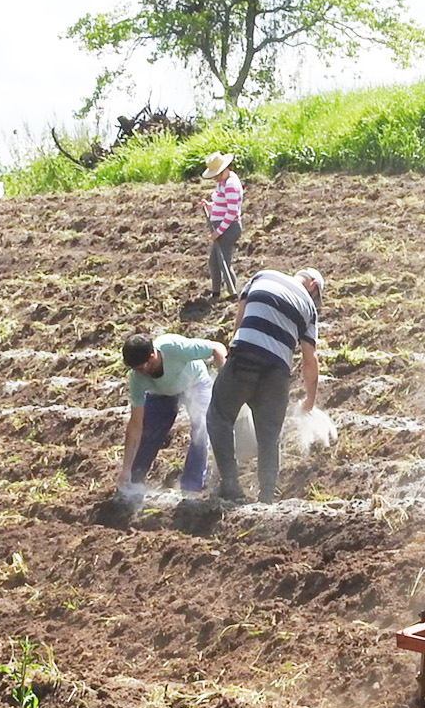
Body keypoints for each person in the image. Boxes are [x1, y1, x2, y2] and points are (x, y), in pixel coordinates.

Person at [205, 266, 321, 504]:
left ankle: (230, 484)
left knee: (219, 416)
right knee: (269, 435)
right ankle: (267, 495)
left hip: (245, 355)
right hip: (277, 371)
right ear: (313, 286)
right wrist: (310, 400)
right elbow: (310, 358)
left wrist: (231, 356)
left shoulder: (263, 276)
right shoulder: (309, 308)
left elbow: (241, 316)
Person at [119, 331, 228, 496]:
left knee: (202, 428)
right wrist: (125, 468)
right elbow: (135, 424)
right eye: (135, 370)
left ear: (152, 356)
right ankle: (133, 482)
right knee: (149, 433)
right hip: (162, 393)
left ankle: (191, 487)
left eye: (142, 368)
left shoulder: (175, 348)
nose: (140, 373)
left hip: (195, 383)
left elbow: (216, 348)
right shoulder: (137, 377)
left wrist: (225, 375)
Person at [203, 153, 244, 299]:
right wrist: (211, 207)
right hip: (221, 227)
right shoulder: (222, 182)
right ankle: (216, 293)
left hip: (229, 228)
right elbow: (222, 204)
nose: (215, 179)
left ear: (224, 170)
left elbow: (232, 212)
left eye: (216, 175)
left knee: (223, 262)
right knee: (214, 262)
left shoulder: (231, 185)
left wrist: (219, 232)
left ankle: (233, 294)